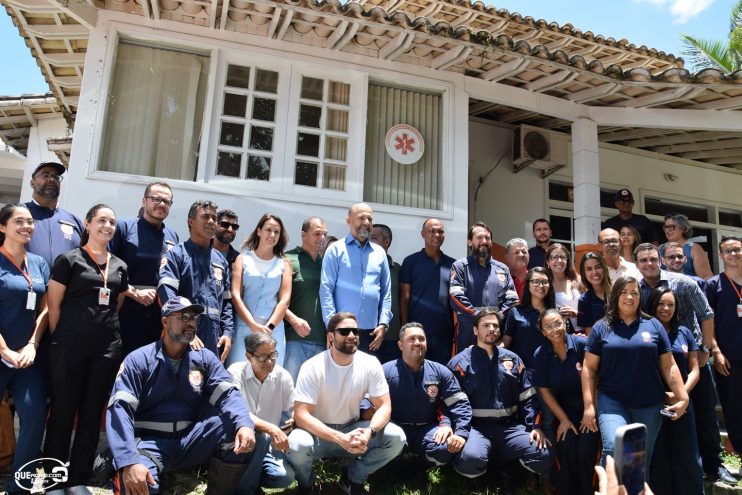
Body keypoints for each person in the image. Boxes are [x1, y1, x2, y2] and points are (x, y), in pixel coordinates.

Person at [106, 297, 257, 495]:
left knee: (232, 426)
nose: (190, 322)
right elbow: (120, 411)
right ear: (165, 321)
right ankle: (123, 477)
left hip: (189, 440)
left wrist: (244, 423)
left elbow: (228, 393)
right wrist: (129, 461)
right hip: (149, 443)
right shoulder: (138, 360)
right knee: (139, 485)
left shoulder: (204, 358)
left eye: (194, 318)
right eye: (183, 316)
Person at [44, 204, 130, 492]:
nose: (107, 226)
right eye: (102, 220)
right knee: (63, 412)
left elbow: (116, 302)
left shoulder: (120, 265)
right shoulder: (69, 260)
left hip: (106, 350)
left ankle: (78, 479)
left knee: (92, 414)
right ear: (88, 224)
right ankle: (54, 478)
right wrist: (63, 339)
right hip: (69, 347)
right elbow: (54, 305)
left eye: (112, 222)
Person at [635, 241, 733, 484]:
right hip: (658, 361)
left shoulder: (683, 283)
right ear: (636, 264)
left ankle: (713, 465)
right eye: (643, 260)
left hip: (690, 357)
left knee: (704, 413)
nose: (649, 264)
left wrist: (706, 349)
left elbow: (706, 314)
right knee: (669, 416)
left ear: (660, 260)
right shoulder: (636, 288)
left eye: (652, 259)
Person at [287, 312, 406, 495]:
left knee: (397, 437)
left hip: (353, 430)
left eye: (355, 331)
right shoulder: (312, 366)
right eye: (344, 331)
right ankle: (307, 484)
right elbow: (301, 415)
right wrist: (338, 438)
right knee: (296, 446)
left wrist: (369, 432)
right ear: (330, 337)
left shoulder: (370, 363)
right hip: (317, 433)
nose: (351, 335)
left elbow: (384, 406)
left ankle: (352, 479)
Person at [581, 276, 689, 469]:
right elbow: (589, 368)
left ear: (640, 297)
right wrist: (589, 405)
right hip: (612, 401)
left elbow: (669, 366)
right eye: (624, 292)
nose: (629, 297)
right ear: (615, 296)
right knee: (614, 447)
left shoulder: (654, 325)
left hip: (649, 403)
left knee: (638, 461)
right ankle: (608, 484)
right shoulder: (601, 327)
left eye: (634, 292)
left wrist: (683, 398)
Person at [448, 307, 553, 488]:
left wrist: (534, 426)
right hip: (475, 429)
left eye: (495, 326)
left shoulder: (513, 360)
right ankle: (482, 473)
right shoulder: (459, 363)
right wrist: (460, 431)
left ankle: (509, 469)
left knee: (544, 454)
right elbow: (450, 403)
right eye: (486, 325)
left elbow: (527, 398)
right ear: (475, 330)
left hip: (508, 428)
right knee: (470, 460)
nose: (492, 329)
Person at [381, 322, 484, 477]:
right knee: (384, 442)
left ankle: (419, 467)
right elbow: (369, 403)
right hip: (395, 428)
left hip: (427, 429)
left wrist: (460, 432)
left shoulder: (441, 372)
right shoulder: (385, 371)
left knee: (444, 448)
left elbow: (459, 404)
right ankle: (395, 465)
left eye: (421, 339)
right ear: (400, 345)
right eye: (411, 339)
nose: (417, 342)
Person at [0, 204, 50, 494]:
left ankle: (20, 485)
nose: (26, 226)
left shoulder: (39, 263)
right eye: (18, 221)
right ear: (2, 227)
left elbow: (45, 309)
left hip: (28, 357)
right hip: (3, 352)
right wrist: (5, 351)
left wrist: (33, 344)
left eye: (30, 222)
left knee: (33, 414)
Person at [532, 309, 599, 495]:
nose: (555, 329)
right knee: (566, 444)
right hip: (564, 409)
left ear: (565, 323)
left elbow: (596, 378)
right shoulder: (541, 354)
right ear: (543, 332)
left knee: (586, 448)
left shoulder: (582, 344)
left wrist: (591, 409)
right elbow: (545, 391)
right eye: (548, 326)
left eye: (558, 323)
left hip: (589, 405)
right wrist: (563, 419)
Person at [158, 200, 233, 360]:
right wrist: (186, 328)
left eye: (214, 218)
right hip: (181, 336)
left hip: (213, 338)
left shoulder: (221, 261)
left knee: (208, 376)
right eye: (205, 217)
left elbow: (226, 303)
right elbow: (167, 294)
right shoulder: (176, 254)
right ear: (191, 222)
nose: (211, 221)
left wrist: (227, 332)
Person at [110, 181, 179, 356]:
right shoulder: (124, 228)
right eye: (156, 199)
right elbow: (107, 268)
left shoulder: (172, 236)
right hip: (126, 310)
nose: (161, 204)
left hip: (158, 315)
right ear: (144, 201)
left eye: (166, 201)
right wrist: (133, 292)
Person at [647, 287, 704, 495]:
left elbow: (695, 370)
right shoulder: (646, 333)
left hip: (683, 403)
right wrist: (664, 396)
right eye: (661, 304)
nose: (666, 308)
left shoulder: (684, 332)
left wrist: (682, 396)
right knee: (659, 457)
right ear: (653, 305)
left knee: (688, 455)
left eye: (670, 304)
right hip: (656, 404)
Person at [320, 203, 391, 356]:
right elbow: (326, 290)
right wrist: (332, 327)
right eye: (361, 218)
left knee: (367, 372)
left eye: (369, 219)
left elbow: (386, 292)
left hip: (372, 334)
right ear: (349, 221)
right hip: (342, 331)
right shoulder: (335, 250)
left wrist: (383, 324)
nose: (366, 222)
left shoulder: (380, 253)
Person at [228, 333, 295, 495]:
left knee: (284, 477)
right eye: (263, 357)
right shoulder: (235, 372)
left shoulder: (283, 377)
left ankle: (244, 478)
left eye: (273, 355)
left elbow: (292, 409)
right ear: (248, 356)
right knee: (261, 436)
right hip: (237, 439)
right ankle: (244, 490)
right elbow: (237, 409)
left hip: (268, 445)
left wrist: (294, 419)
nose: (270, 361)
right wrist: (271, 428)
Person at [227, 213, 292, 368]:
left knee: (271, 374)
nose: (272, 235)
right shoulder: (243, 259)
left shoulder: (284, 263)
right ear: (259, 231)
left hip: (273, 330)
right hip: (244, 327)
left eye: (277, 232)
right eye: (268, 230)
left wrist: (269, 327)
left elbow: (284, 301)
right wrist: (253, 325)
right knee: (238, 372)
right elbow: (236, 295)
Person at [450, 222, 518, 352]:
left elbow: (512, 300)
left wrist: (496, 317)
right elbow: (455, 297)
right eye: (479, 237)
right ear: (470, 242)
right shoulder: (460, 266)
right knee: (466, 364)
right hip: (468, 332)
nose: (484, 241)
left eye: (487, 238)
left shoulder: (502, 269)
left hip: (495, 331)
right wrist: (478, 316)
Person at [399, 218, 456, 365]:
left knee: (440, 373)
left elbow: (456, 300)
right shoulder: (410, 262)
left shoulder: (453, 264)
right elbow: (404, 298)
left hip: (444, 334)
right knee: (415, 371)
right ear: (423, 234)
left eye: (440, 231)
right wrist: (405, 330)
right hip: (416, 334)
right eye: (432, 231)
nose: (437, 235)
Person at [705, 236, 742, 457]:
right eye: (728, 251)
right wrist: (716, 352)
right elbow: (708, 323)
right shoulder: (713, 285)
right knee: (734, 409)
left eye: (737, 249)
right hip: (729, 359)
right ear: (721, 255)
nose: (733, 254)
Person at [283, 217, 328, 383]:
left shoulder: (328, 264)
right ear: (303, 235)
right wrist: (293, 319)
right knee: (288, 394)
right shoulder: (288, 259)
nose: (322, 238)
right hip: (294, 341)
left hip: (323, 343)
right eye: (317, 234)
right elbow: (273, 298)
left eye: (325, 234)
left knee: (315, 396)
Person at [23, 161, 84, 268]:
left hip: (64, 279)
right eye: (45, 175)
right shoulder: (17, 214)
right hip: (24, 278)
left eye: (56, 176)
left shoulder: (74, 221)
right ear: (32, 183)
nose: (51, 179)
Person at [502, 267, 555, 371]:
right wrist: (489, 349)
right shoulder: (516, 311)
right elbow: (505, 342)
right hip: (522, 371)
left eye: (545, 282)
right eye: (536, 282)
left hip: (550, 370)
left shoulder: (556, 313)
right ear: (528, 284)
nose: (541, 285)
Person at [370, 223, 401, 364]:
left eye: (373, 238)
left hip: (392, 337)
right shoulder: (360, 267)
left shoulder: (398, 270)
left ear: (386, 242)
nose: (368, 242)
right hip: (367, 334)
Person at [659, 213, 713, 280]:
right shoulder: (660, 249)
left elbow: (706, 276)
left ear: (682, 228)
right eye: (665, 227)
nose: (667, 230)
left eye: (671, 227)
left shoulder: (694, 248)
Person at [545, 243, 582, 331]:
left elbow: (589, 307)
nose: (559, 260)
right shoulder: (545, 284)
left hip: (582, 331)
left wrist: (576, 313)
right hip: (558, 332)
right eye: (554, 257)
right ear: (548, 261)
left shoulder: (577, 280)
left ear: (567, 260)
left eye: (562, 257)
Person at [577, 252, 612, 335]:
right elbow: (590, 334)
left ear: (604, 268)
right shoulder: (584, 300)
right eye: (589, 269)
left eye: (598, 267)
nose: (594, 272)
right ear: (584, 273)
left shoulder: (618, 291)